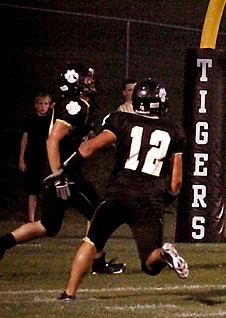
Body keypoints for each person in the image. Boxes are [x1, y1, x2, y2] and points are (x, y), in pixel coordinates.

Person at [54, 78, 189, 301]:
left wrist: (64, 168)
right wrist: (166, 198)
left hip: (119, 193)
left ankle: (69, 293)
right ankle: (164, 254)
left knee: (92, 241)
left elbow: (89, 147)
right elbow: (176, 183)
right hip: (149, 199)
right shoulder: (174, 130)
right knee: (150, 263)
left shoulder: (121, 120)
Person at [0, 63, 125, 275]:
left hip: (65, 172)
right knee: (98, 212)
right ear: (74, 83)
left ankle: (1, 244)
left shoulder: (81, 104)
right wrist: (59, 176)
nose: (90, 82)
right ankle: (96, 261)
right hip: (66, 174)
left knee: (48, 226)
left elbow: (79, 135)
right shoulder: (74, 106)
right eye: (85, 79)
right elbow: (52, 140)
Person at [18, 91, 54, 222]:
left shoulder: (52, 120)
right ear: (35, 105)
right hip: (32, 158)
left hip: (47, 159)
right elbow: (24, 139)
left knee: (46, 190)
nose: (43, 106)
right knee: (32, 190)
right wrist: (21, 158)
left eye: (46, 104)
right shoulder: (30, 120)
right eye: (40, 104)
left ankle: (45, 219)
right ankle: (31, 219)